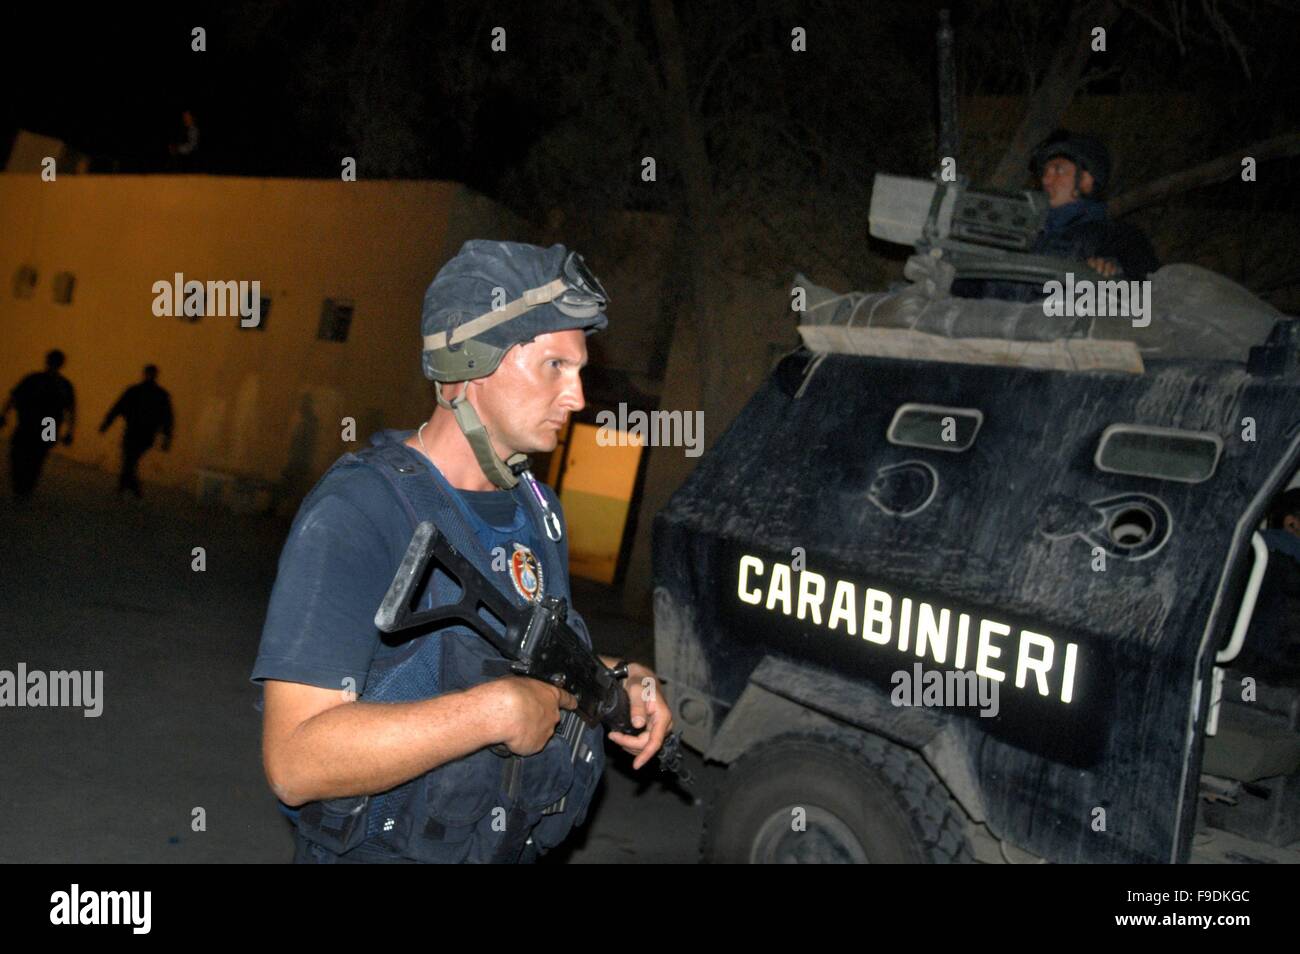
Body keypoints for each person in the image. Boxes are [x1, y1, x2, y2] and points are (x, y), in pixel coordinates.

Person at [251, 240, 673, 864]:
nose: (578, 398)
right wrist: (492, 714)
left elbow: (509, 652)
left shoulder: (538, 511)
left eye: (579, 370)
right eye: (554, 366)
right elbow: (295, 760)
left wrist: (616, 677)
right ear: (472, 363)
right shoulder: (360, 511)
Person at [953, 130, 1161, 301]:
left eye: (1058, 170)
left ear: (1087, 180)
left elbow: (1148, 295)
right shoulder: (1016, 234)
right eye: (1044, 172)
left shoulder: (1119, 237)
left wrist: (1112, 272)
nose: (1046, 179)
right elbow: (969, 287)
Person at [1, 350, 76, 499]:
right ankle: (24, 485)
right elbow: (71, 411)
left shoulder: (35, 380)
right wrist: (69, 432)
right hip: (44, 424)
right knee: (31, 456)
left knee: (28, 456)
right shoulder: (61, 384)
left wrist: (4, 414)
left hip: (34, 423)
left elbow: (13, 398)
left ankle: (23, 485)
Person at [99, 365, 174, 498]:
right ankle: (131, 487)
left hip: (140, 432)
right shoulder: (156, 394)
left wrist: (107, 423)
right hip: (139, 432)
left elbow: (118, 407)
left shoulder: (138, 391)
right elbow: (118, 407)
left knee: (129, 458)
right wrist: (166, 437)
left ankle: (128, 486)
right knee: (130, 459)